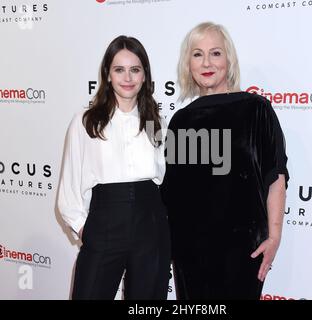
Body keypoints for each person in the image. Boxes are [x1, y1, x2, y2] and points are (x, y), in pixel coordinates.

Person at [161, 22, 289, 299]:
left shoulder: (256, 110)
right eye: (197, 54)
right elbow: (174, 191)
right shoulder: (181, 120)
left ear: (228, 59)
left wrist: (274, 237)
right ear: (188, 63)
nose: (207, 62)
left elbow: (275, 177)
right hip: (189, 250)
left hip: (243, 249)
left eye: (215, 53)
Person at [57, 35, 170, 300]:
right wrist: (86, 228)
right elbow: (71, 183)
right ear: (108, 75)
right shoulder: (87, 122)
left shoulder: (157, 123)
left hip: (150, 221)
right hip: (104, 221)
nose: (127, 77)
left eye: (135, 69)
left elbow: (164, 179)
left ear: (145, 75)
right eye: (119, 69)